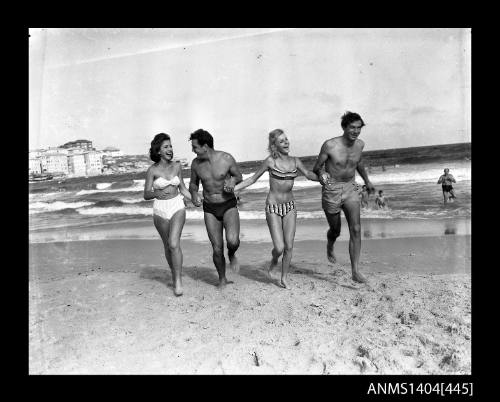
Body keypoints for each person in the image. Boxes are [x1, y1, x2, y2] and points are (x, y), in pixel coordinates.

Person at [234, 129, 319, 289]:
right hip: (273, 207)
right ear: (274, 145)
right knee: (279, 247)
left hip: (290, 206)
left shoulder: (295, 161)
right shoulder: (270, 162)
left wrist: (322, 178)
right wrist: (235, 189)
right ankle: (274, 261)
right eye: (281, 141)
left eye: (286, 139)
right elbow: (252, 179)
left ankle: (284, 277)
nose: (286, 142)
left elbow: (309, 174)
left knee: (289, 246)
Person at [312, 111, 375, 283]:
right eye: (352, 128)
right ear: (344, 127)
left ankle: (355, 270)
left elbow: (358, 162)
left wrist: (367, 180)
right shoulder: (330, 145)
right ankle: (330, 243)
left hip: (351, 187)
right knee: (336, 230)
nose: (356, 131)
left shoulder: (360, 145)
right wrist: (322, 174)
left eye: (359, 128)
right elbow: (317, 167)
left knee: (356, 228)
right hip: (332, 189)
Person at [188, 129, 243, 288]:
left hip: (228, 205)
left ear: (205, 146)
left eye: (195, 147)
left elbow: (239, 176)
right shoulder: (196, 164)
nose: (193, 150)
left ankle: (232, 254)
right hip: (210, 208)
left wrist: (233, 182)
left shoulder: (226, 158)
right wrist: (193, 194)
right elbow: (193, 183)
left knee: (232, 241)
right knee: (217, 248)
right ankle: (222, 279)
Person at [144, 133, 192, 296]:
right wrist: (157, 192)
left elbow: (183, 188)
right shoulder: (152, 170)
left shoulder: (177, 166)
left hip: (177, 205)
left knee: (173, 244)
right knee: (167, 246)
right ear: (158, 151)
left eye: (170, 146)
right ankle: (174, 274)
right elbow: (146, 194)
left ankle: (178, 281)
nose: (170, 149)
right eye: (166, 147)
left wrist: (195, 199)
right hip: (160, 209)